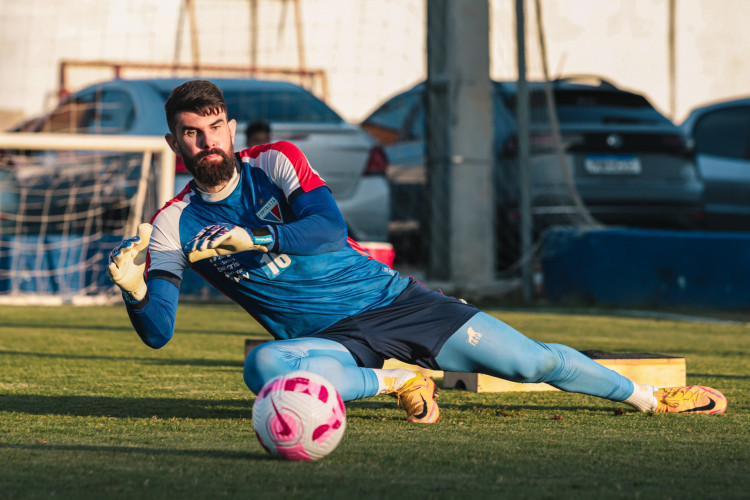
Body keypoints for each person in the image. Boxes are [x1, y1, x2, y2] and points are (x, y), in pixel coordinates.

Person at [107, 80, 727, 422]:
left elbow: (327, 228)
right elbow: (159, 331)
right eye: (192, 132)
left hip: (399, 303)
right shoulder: (173, 224)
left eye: (215, 128)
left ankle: (650, 400)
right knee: (264, 370)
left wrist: (256, 236)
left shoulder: (277, 162)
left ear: (231, 130)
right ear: (173, 142)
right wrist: (135, 294)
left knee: (532, 364)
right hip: (332, 341)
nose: (207, 141)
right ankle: (395, 379)